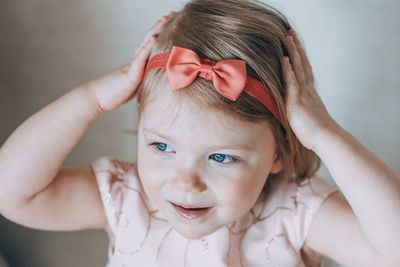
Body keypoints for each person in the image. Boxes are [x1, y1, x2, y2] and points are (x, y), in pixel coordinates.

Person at [0, 0, 399, 266]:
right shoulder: (127, 198)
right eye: (161, 146)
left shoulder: (295, 212)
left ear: (279, 149)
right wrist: (92, 98)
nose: (185, 181)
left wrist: (325, 134)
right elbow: (12, 192)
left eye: (221, 157)